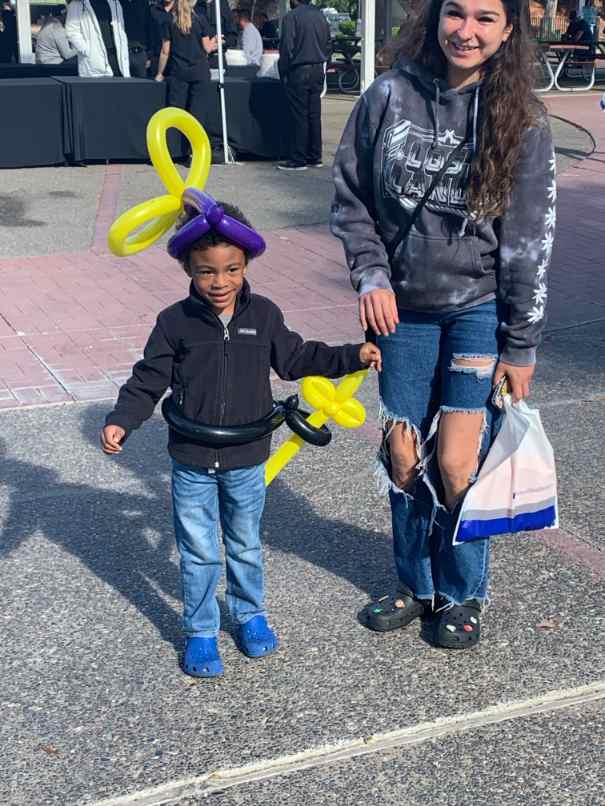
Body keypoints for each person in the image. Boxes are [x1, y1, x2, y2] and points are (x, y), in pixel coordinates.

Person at [331, 0, 556, 649]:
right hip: (401, 310)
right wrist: (371, 277)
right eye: (455, 13)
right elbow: (350, 199)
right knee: (403, 456)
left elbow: (528, 243)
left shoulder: (523, 118)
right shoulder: (387, 96)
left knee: (457, 462)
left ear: (507, 31)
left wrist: (520, 344)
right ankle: (416, 583)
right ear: (434, 17)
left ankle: (462, 591)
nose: (467, 30)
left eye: (486, 18)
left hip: (477, 310)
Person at [101, 192, 381, 677]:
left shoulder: (264, 315)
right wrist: (123, 418)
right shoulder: (174, 322)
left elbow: (297, 358)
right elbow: (148, 378)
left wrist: (350, 355)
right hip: (192, 458)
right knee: (199, 552)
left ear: (246, 263)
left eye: (231, 269)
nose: (220, 282)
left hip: (247, 457)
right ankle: (200, 631)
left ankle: (250, 615)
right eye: (206, 271)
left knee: (245, 545)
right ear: (188, 269)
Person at [156, 0, 224, 160]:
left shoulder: (168, 21)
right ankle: (194, 153)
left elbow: (165, 51)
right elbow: (207, 48)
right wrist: (216, 42)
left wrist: (159, 73)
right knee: (197, 115)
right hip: (200, 72)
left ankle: (172, 152)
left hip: (178, 73)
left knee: (175, 113)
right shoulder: (200, 20)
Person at [277, 0, 331, 171]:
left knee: (299, 115)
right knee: (314, 114)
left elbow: (287, 47)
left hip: (299, 69)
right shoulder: (320, 15)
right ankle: (314, 156)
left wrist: (283, 71)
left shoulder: (291, 17)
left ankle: (298, 159)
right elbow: (328, 44)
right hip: (317, 68)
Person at [65, 0, 130, 77]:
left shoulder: (115, 3)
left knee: (121, 83)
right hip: (95, 59)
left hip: (117, 58)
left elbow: (120, 29)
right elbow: (71, 30)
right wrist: (87, 50)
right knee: (99, 84)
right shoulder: (77, 4)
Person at [120, 0, 152, 78]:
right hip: (121, 52)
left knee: (142, 84)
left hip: (140, 53)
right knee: (121, 84)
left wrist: (149, 55)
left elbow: (150, 29)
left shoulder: (143, 3)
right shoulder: (118, 2)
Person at [149, 0, 173, 78]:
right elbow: (149, 33)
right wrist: (148, 56)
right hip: (157, 58)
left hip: (176, 60)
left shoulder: (180, 10)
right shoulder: (153, 10)